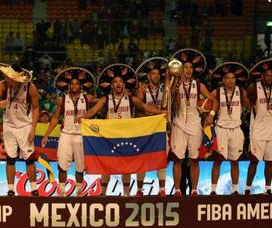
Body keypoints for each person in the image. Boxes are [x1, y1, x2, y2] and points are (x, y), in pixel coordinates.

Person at [78, 63, 166, 196]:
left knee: (127, 166)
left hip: (127, 136)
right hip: (109, 137)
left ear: (124, 85)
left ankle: (126, 194)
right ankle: (103, 193)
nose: (118, 84)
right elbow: (94, 110)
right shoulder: (105, 99)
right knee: (106, 165)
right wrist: (82, 117)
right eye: (115, 82)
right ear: (112, 85)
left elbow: (145, 107)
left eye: (120, 81)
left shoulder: (131, 99)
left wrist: (161, 112)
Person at [42, 67, 97, 197]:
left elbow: (102, 102)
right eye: (72, 83)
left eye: (77, 83)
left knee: (80, 166)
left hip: (81, 136)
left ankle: (79, 189)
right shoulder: (62, 99)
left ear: (80, 86)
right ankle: (61, 189)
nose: (74, 85)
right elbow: (55, 118)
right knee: (62, 164)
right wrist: (46, 135)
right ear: (68, 86)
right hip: (66, 135)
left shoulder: (87, 98)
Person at [169, 48, 218, 196]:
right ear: (181, 69)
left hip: (195, 125)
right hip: (178, 124)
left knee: (194, 159)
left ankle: (194, 190)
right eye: (185, 67)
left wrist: (211, 115)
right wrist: (174, 88)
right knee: (177, 159)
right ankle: (177, 190)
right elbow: (171, 105)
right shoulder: (174, 85)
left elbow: (214, 101)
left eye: (191, 68)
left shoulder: (199, 85)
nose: (188, 70)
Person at [0, 62, 40, 196]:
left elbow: (35, 108)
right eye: (7, 77)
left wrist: (33, 128)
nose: (7, 79)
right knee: (10, 159)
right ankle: (11, 189)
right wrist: (0, 105)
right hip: (9, 125)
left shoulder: (30, 87)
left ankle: (34, 189)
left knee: (29, 158)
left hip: (24, 126)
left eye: (10, 78)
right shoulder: (3, 85)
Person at [245, 59, 272, 195]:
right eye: (267, 75)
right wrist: (250, 107)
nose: (269, 78)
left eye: (271, 76)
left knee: (270, 161)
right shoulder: (254, 87)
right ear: (262, 76)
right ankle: (247, 189)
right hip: (258, 130)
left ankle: (268, 189)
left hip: (271, 131)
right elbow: (245, 98)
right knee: (254, 161)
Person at [209, 62, 251, 195]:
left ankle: (235, 190)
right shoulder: (217, 92)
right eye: (228, 78)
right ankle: (213, 190)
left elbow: (250, 106)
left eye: (233, 78)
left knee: (235, 161)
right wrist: (208, 114)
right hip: (221, 129)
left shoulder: (240, 92)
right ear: (223, 80)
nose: (230, 80)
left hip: (236, 129)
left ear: (236, 79)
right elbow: (206, 103)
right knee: (217, 161)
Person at [135, 57, 168, 196]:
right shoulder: (142, 89)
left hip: (160, 128)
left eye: (158, 74)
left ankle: (162, 190)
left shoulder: (164, 89)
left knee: (161, 157)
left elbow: (168, 106)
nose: (156, 76)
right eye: (153, 73)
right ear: (148, 76)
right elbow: (139, 110)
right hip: (145, 128)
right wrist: (155, 113)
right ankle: (139, 190)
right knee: (142, 158)